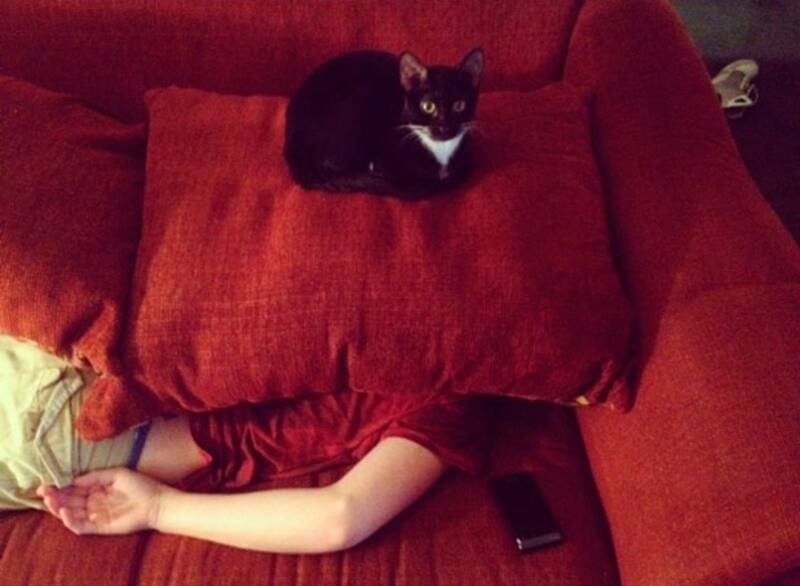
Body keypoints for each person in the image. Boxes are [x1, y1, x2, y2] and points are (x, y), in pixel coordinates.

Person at [1, 334, 490, 553]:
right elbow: (340, 516)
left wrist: (158, 509)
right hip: (70, 391)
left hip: (71, 394)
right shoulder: (452, 397)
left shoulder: (452, 399)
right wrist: (159, 509)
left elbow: (340, 517)